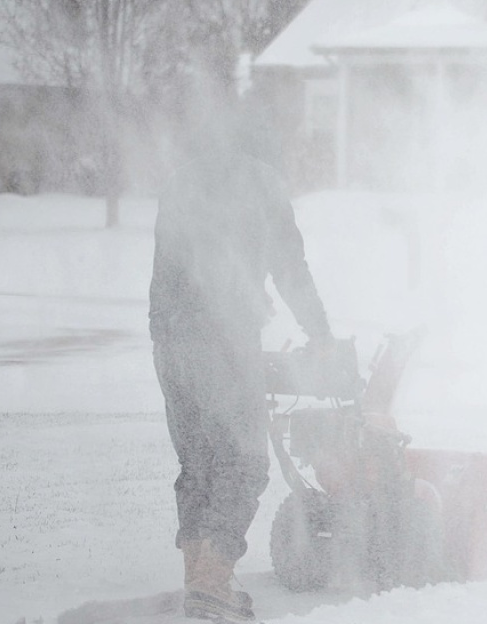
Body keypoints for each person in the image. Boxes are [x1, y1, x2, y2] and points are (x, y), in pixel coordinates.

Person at [149, 104, 332, 623]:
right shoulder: (261, 183)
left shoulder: (180, 182)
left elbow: (172, 271)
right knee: (244, 461)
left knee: (199, 463)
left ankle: (201, 577)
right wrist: (320, 334)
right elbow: (290, 268)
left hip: (169, 342)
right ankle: (212, 583)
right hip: (223, 340)